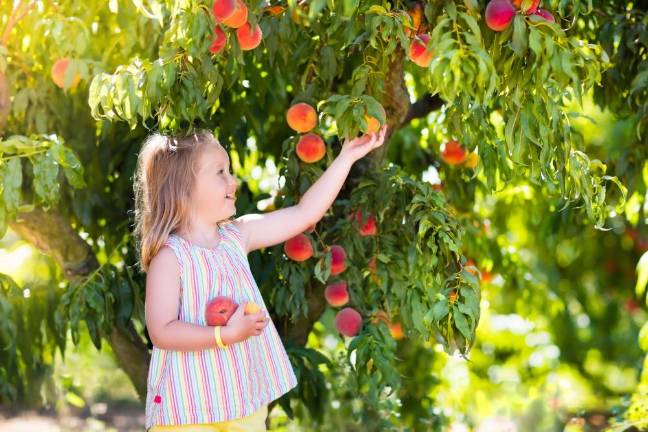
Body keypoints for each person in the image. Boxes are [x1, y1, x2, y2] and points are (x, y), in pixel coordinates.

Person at [134, 125, 387, 431]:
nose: (233, 180)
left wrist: (347, 157)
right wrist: (224, 335)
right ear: (183, 187)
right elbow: (162, 331)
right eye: (220, 173)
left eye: (229, 171)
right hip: (189, 407)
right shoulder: (170, 258)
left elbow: (305, 213)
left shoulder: (237, 236)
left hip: (244, 400)